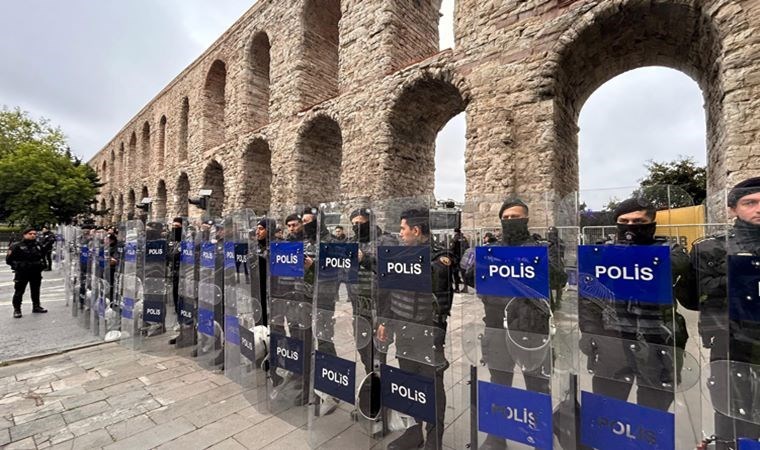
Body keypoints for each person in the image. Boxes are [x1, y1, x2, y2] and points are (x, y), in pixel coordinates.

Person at [465, 198, 566, 450]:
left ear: (527, 219)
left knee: (537, 386)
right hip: (497, 325)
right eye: (507, 217)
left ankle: (539, 435)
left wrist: (531, 261)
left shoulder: (541, 247)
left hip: (533, 327)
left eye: (516, 217)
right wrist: (477, 263)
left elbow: (559, 278)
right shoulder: (492, 248)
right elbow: (470, 278)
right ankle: (496, 436)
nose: (511, 221)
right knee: (499, 382)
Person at [579, 197, 691, 414]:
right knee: (607, 408)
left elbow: (678, 266)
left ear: (651, 224)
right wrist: (590, 332)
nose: (631, 226)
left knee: (653, 411)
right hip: (613, 336)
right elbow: (588, 296)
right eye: (624, 221)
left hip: (657, 339)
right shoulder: (601, 250)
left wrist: (626, 255)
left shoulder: (671, 249)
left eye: (638, 221)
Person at [690, 177, 760, 449]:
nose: (758, 209)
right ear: (733, 209)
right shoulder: (711, 248)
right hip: (730, 342)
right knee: (730, 411)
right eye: (750, 202)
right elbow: (694, 297)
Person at [377, 209, 454, 450]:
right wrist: (385, 322)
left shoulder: (439, 258)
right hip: (403, 332)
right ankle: (413, 432)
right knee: (408, 385)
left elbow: (436, 276)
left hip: (428, 335)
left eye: (403, 229)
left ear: (416, 230)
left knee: (431, 388)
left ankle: (434, 440)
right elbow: (390, 291)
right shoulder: (401, 257)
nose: (400, 234)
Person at [6, 228, 48, 318]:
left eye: (34, 234)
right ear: (24, 235)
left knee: (36, 290)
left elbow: (42, 256)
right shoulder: (16, 246)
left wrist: (43, 265)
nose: (33, 235)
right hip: (22, 272)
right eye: (30, 233)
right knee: (19, 291)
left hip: (35, 271)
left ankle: (36, 306)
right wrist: (17, 266)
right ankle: (17, 309)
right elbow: (9, 260)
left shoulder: (38, 245)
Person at [449, 227, 468, 293]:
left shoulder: (455, 238)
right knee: (464, 273)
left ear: (455, 232)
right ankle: (466, 287)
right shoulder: (464, 238)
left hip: (456, 258)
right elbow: (467, 247)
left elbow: (452, 248)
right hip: (464, 258)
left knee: (455, 273)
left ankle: (457, 288)